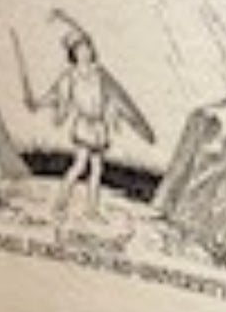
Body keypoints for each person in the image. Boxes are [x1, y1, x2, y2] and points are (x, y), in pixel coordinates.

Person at [29, 15, 154, 227]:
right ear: (73, 54)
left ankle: (91, 210)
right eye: (79, 50)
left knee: (97, 169)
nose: (84, 52)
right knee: (79, 166)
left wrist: (120, 116)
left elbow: (114, 95)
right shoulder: (70, 76)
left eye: (87, 48)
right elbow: (55, 96)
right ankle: (60, 204)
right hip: (84, 126)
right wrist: (37, 103)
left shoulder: (99, 73)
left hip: (99, 127)